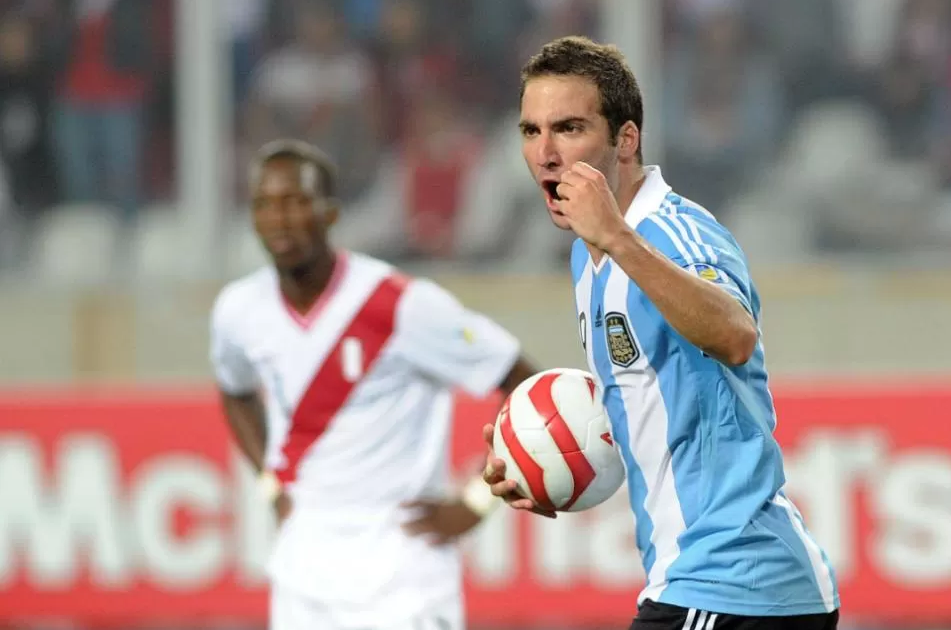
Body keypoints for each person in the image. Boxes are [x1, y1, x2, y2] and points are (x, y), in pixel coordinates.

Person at [482, 36, 840, 630]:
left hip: (731, 578)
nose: (544, 153)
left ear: (626, 139)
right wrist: (543, 461)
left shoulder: (674, 233)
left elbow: (735, 335)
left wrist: (619, 240)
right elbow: (662, 413)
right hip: (711, 582)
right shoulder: (586, 256)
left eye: (568, 128)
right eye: (529, 131)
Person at [209, 138, 537, 630]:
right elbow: (234, 392)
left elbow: (526, 385)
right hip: (304, 576)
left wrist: (476, 502)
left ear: (331, 213)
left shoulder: (401, 304)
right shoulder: (238, 311)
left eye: (297, 201)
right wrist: (268, 482)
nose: (280, 218)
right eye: (265, 204)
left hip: (404, 576)